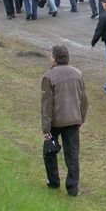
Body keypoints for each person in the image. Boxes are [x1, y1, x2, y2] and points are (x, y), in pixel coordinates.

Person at [41, 45, 88, 197]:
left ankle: (53, 181)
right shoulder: (77, 73)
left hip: (56, 121)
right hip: (74, 120)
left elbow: (47, 105)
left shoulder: (48, 76)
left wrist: (46, 129)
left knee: (49, 152)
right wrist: (81, 118)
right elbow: (84, 100)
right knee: (72, 154)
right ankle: (73, 188)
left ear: (54, 58)